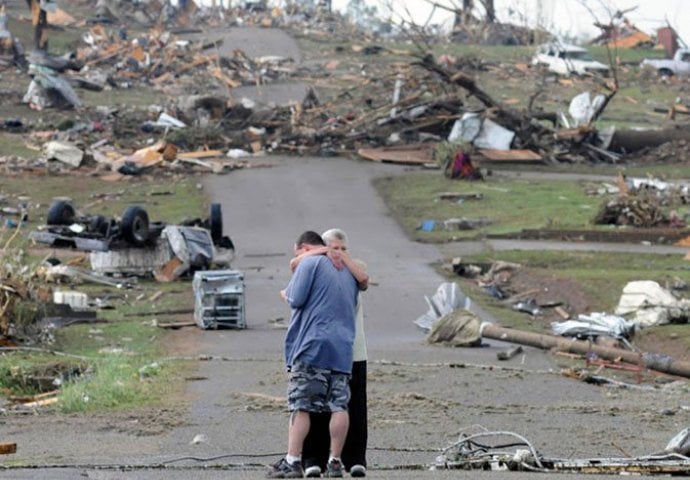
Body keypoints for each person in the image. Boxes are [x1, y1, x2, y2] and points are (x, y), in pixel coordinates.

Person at [269, 230, 359, 479]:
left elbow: (296, 298)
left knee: (301, 405)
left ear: (303, 247)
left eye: (297, 253)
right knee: (339, 405)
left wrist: (285, 292)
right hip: (342, 346)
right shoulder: (348, 270)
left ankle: (293, 460)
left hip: (312, 345)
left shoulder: (309, 262)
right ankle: (335, 462)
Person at [290, 229, 369, 478]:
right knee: (328, 407)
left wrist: (337, 256)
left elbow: (364, 279)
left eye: (344, 249)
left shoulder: (349, 268)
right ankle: (321, 459)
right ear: (323, 249)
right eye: (334, 248)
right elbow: (295, 263)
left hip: (339, 349)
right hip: (339, 348)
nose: (339, 253)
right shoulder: (324, 267)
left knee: (336, 406)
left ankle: (348, 459)